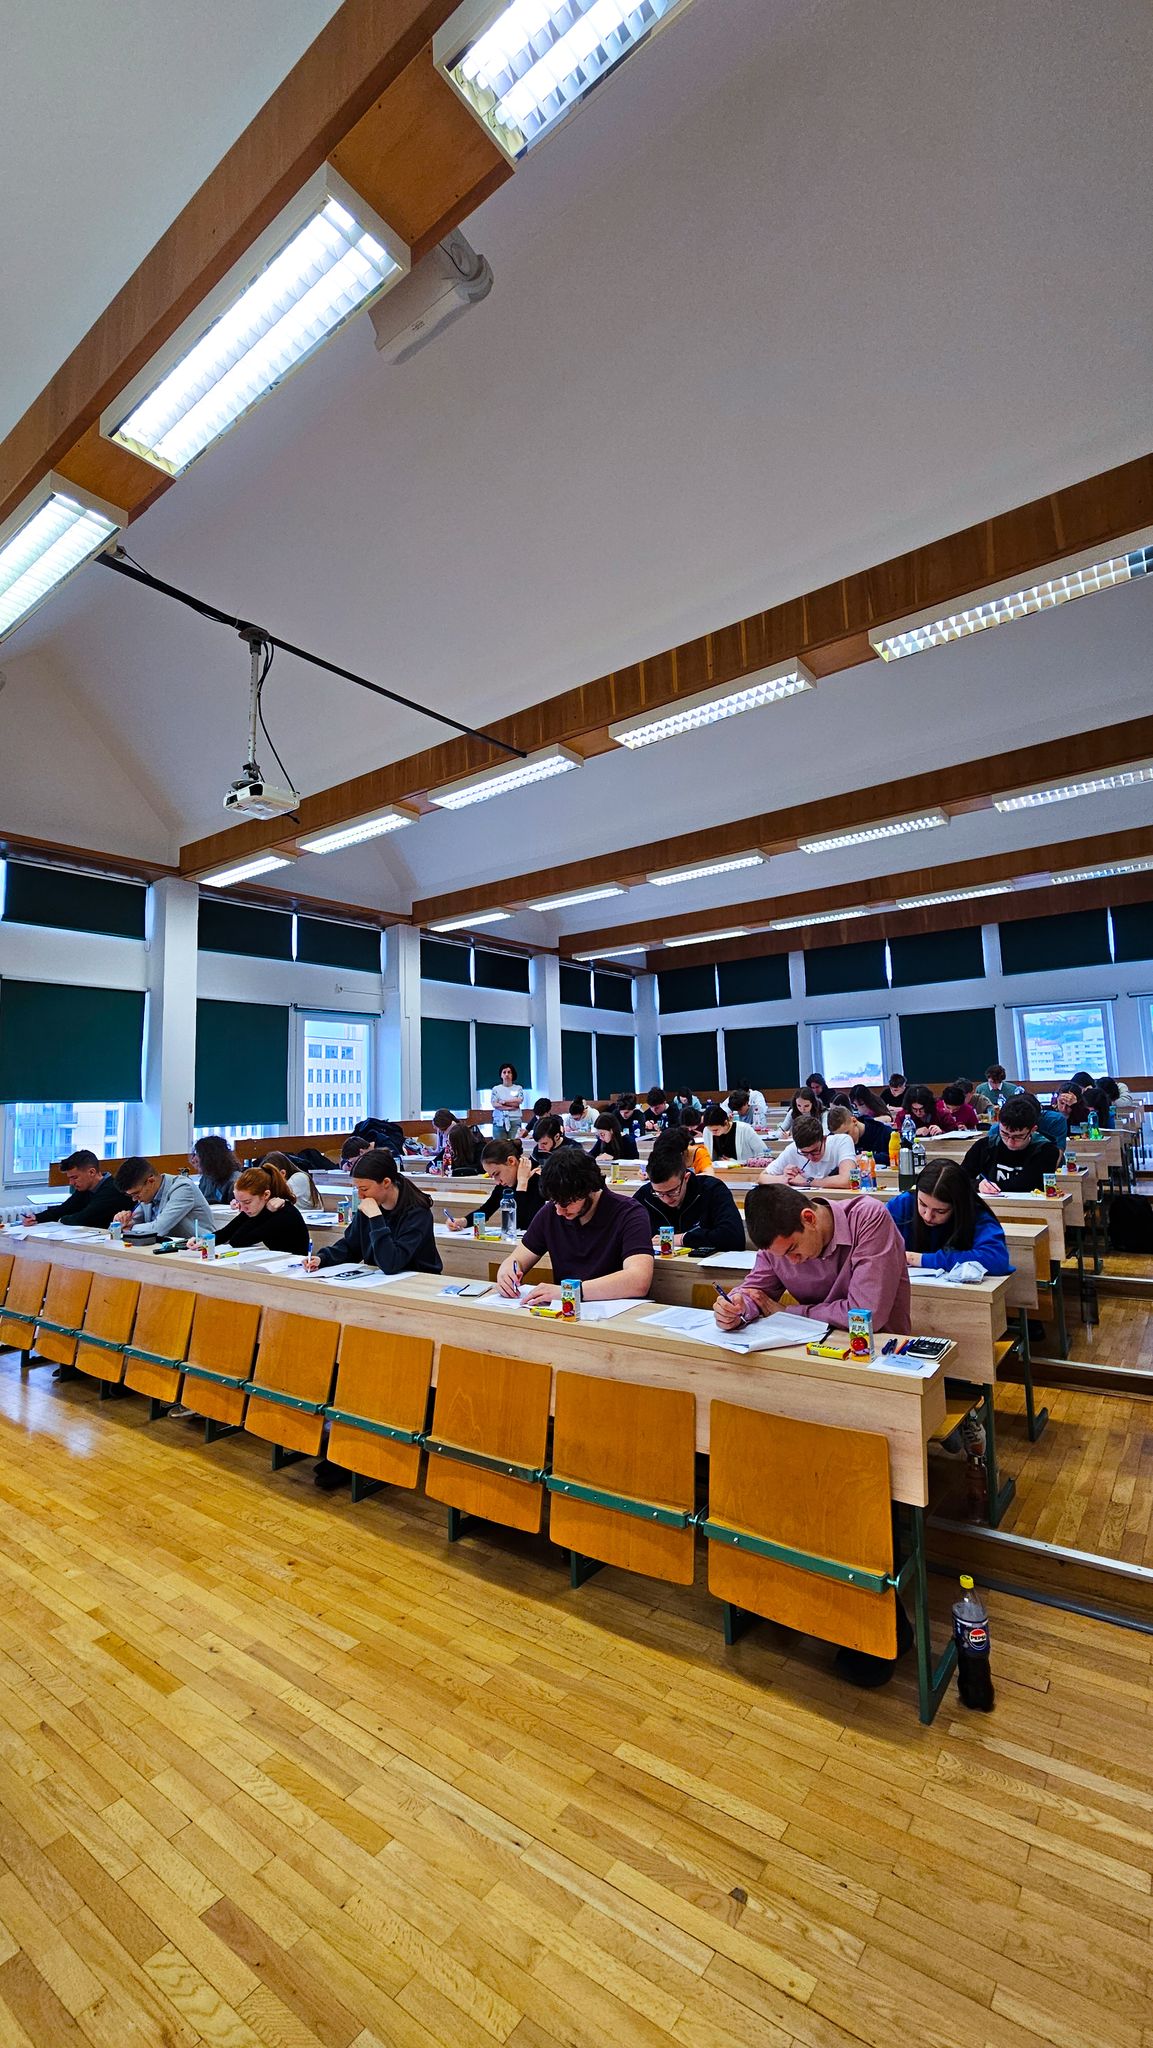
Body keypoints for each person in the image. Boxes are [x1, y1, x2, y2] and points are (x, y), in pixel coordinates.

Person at [714, 1182, 911, 1334]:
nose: (791, 1261)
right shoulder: (777, 1247)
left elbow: (865, 1315)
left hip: (878, 1351)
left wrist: (790, 1314)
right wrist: (736, 1309)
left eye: (793, 1249)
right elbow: (754, 1293)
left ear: (809, 1218)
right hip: (810, 1345)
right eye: (781, 1255)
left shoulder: (868, 1218)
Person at [496, 1147, 654, 1303]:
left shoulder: (629, 1213)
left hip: (617, 1311)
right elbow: (518, 1259)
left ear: (589, 1189)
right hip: (567, 1310)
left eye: (566, 1203)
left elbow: (638, 1280)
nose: (559, 1211)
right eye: (554, 1201)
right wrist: (507, 1271)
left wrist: (571, 1291)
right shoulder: (551, 1212)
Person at [305, 1149, 440, 1274]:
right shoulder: (370, 1204)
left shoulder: (417, 1212)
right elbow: (351, 1246)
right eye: (357, 1188)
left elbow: (391, 1263)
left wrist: (376, 1218)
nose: (360, 1195)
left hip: (419, 1280)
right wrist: (323, 1258)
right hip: (380, 1278)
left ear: (386, 1182)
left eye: (364, 1189)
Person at [885, 1159, 1011, 1274]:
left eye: (940, 1211)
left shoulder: (977, 1216)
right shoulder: (902, 1205)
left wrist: (921, 1259)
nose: (928, 1216)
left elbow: (997, 1260)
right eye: (922, 1204)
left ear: (958, 1206)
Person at [632, 1130, 746, 1253]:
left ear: (686, 1178)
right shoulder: (644, 1197)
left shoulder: (712, 1190)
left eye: (672, 1191)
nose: (666, 1199)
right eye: (659, 1193)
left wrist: (681, 1239)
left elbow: (734, 1237)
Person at [961, 1095, 1062, 1195]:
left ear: (1033, 1130)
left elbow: (1029, 1185)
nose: (1010, 1142)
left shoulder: (1046, 1150)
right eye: (1004, 1134)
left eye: (1018, 1136)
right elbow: (959, 1178)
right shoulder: (985, 1146)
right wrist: (977, 1184)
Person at [444, 1138, 544, 1235]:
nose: (497, 1182)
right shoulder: (504, 1185)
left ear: (511, 1161)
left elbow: (521, 1224)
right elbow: (486, 1210)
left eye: (497, 1174)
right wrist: (462, 1221)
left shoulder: (538, 1182)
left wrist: (522, 1184)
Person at [114, 1158, 216, 1241]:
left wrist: (129, 1228)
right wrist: (122, 1221)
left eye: (136, 1194)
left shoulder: (183, 1188)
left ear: (151, 1181)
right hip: (169, 1248)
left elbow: (159, 1229)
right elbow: (134, 1221)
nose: (134, 1199)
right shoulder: (147, 1196)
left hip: (201, 1248)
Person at [214, 1166, 310, 1254]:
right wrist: (205, 1241)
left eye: (247, 1202)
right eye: (239, 1202)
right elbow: (224, 1233)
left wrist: (267, 1212)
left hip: (295, 1263)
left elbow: (237, 1240)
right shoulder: (257, 1209)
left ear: (266, 1195)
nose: (242, 1208)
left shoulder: (284, 1213)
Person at [21, 1150, 122, 1229]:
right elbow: (64, 1209)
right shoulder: (85, 1189)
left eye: (75, 1177)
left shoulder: (112, 1189)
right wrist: (36, 1218)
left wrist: (61, 1220)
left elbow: (84, 1218)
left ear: (91, 1172)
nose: (71, 1183)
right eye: (70, 1178)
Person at [761, 1114, 856, 1187]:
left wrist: (808, 1181)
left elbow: (849, 1180)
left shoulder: (842, 1141)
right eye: (804, 1153)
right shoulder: (792, 1149)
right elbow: (762, 1177)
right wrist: (785, 1178)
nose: (810, 1157)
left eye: (815, 1151)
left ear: (824, 1139)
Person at [828, 1102, 894, 1164]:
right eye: (840, 1137)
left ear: (854, 1121)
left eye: (847, 1133)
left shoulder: (883, 1132)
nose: (846, 1139)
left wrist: (871, 1157)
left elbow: (895, 1156)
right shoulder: (832, 1140)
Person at [701, 1104, 766, 1164]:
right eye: (710, 1130)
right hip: (718, 1169)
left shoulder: (745, 1129)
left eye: (716, 1130)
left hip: (744, 1170)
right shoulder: (707, 1131)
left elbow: (764, 1155)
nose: (712, 1133)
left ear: (725, 1123)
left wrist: (737, 1162)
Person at [191, 1135, 241, 1203]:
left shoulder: (235, 1182)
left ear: (211, 1158)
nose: (193, 1160)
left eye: (198, 1155)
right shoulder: (206, 1177)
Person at [490, 1063, 525, 1137]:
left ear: (512, 1075)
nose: (506, 1074)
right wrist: (512, 1106)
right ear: (501, 1075)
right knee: (499, 1144)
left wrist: (504, 1102)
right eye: (504, 1072)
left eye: (509, 1072)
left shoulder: (518, 1088)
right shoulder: (496, 1089)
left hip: (515, 1121)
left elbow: (518, 1102)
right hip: (499, 1121)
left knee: (514, 1143)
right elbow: (495, 1104)